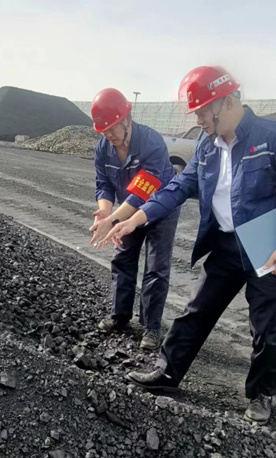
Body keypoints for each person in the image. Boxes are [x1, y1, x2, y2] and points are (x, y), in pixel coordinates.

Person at [103, 66, 276, 425]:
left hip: (268, 247)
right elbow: (177, 188)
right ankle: (167, 373)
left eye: (202, 111)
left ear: (227, 102)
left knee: (265, 324)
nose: (198, 120)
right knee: (197, 310)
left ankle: (261, 394)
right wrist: (134, 219)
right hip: (226, 244)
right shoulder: (207, 146)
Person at [89, 88, 180, 351]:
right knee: (122, 259)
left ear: (127, 119)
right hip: (125, 213)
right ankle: (119, 316)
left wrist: (113, 219)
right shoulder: (103, 149)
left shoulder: (151, 142)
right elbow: (104, 185)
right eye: (103, 130)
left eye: (112, 128)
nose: (108, 134)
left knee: (156, 267)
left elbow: (144, 192)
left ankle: (151, 326)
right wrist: (105, 212)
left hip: (160, 211)